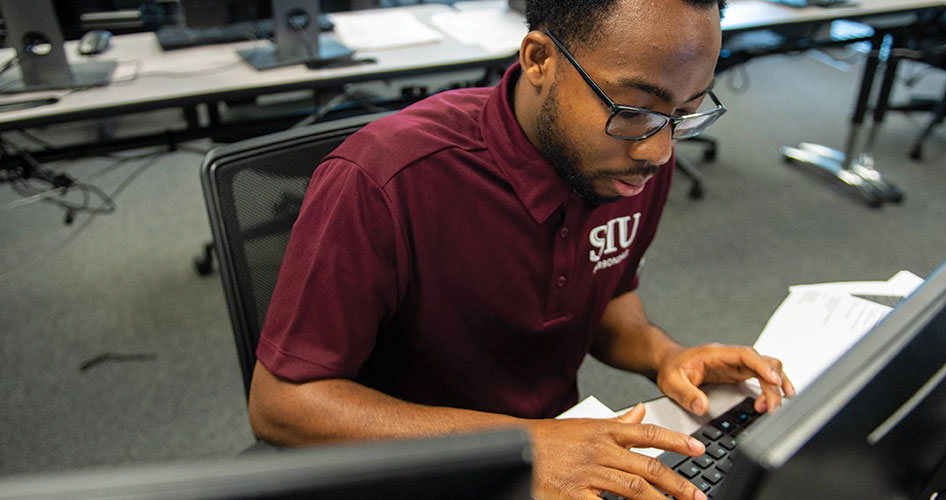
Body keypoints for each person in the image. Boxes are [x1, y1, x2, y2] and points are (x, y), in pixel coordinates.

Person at [248, 0, 795, 498]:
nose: (659, 149)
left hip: (556, 458)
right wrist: (527, 444)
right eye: (632, 110)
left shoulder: (634, 161)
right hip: (410, 473)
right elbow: (283, 405)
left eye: (685, 112)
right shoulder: (383, 179)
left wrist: (665, 356)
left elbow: (604, 293)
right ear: (539, 59)